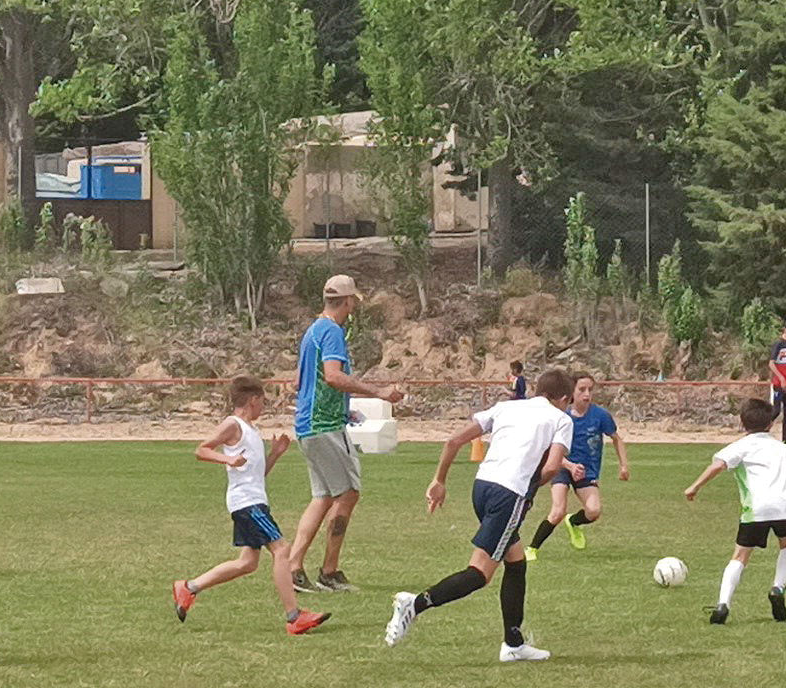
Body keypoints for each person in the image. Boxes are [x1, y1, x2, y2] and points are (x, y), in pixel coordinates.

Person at [384, 370, 578, 662]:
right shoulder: (561, 419)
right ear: (563, 398)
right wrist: (527, 489)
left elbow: (453, 441)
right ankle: (415, 604)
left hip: (482, 487)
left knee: (516, 562)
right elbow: (552, 467)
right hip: (509, 494)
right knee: (479, 574)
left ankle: (513, 643)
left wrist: (439, 481)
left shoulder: (507, 407)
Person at [171, 377, 331, 635]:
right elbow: (201, 450)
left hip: (254, 500)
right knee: (282, 549)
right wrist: (227, 459)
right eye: (263, 402)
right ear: (252, 400)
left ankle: (188, 588)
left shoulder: (251, 431)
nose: (264, 407)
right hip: (246, 503)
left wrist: (275, 454)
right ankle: (294, 616)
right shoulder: (232, 424)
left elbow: (257, 474)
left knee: (248, 563)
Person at [286, 274, 405, 594]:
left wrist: (342, 407)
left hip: (310, 423)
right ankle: (328, 571)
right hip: (324, 426)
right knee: (348, 493)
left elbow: (299, 381)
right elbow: (333, 376)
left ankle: (294, 567)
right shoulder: (332, 332)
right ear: (349, 302)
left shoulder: (313, 331)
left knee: (324, 496)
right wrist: (378, 392)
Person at [684, 398, 786, 626]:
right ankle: (778, 587)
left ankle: (723, 604)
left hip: (758, 508)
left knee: (740, 556)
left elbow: (718, 465)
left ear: (742, 423)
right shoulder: (785, 449)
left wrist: (694, 487)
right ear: (771, 424)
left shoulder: (741, 446)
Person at [527, 373, 629, 560]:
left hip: (586, 471)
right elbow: (550, 450)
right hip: (561, 467)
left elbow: (617, 439)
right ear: (571, 392)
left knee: (594, 511)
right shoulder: (561, 417)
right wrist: (570, 466)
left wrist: (623, 466)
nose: (587, 394)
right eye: (582, 389)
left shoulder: (600, 416)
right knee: (558, 511)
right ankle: (532, 549)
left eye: (590, 389)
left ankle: (573, 522)